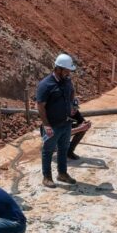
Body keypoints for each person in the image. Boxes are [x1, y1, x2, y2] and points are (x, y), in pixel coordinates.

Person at [36, 53, 78, 187]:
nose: (68, 73)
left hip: (66, 123)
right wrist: (46, 125)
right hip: (52, 125)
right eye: (66, 71)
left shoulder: (67, 81)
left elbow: (72, 91)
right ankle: (47, 177)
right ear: (58, 69)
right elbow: (40, 106)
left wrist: (72, 105)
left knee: (63, 149)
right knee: (48, 151)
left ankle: (62, 173)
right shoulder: (45, 84)